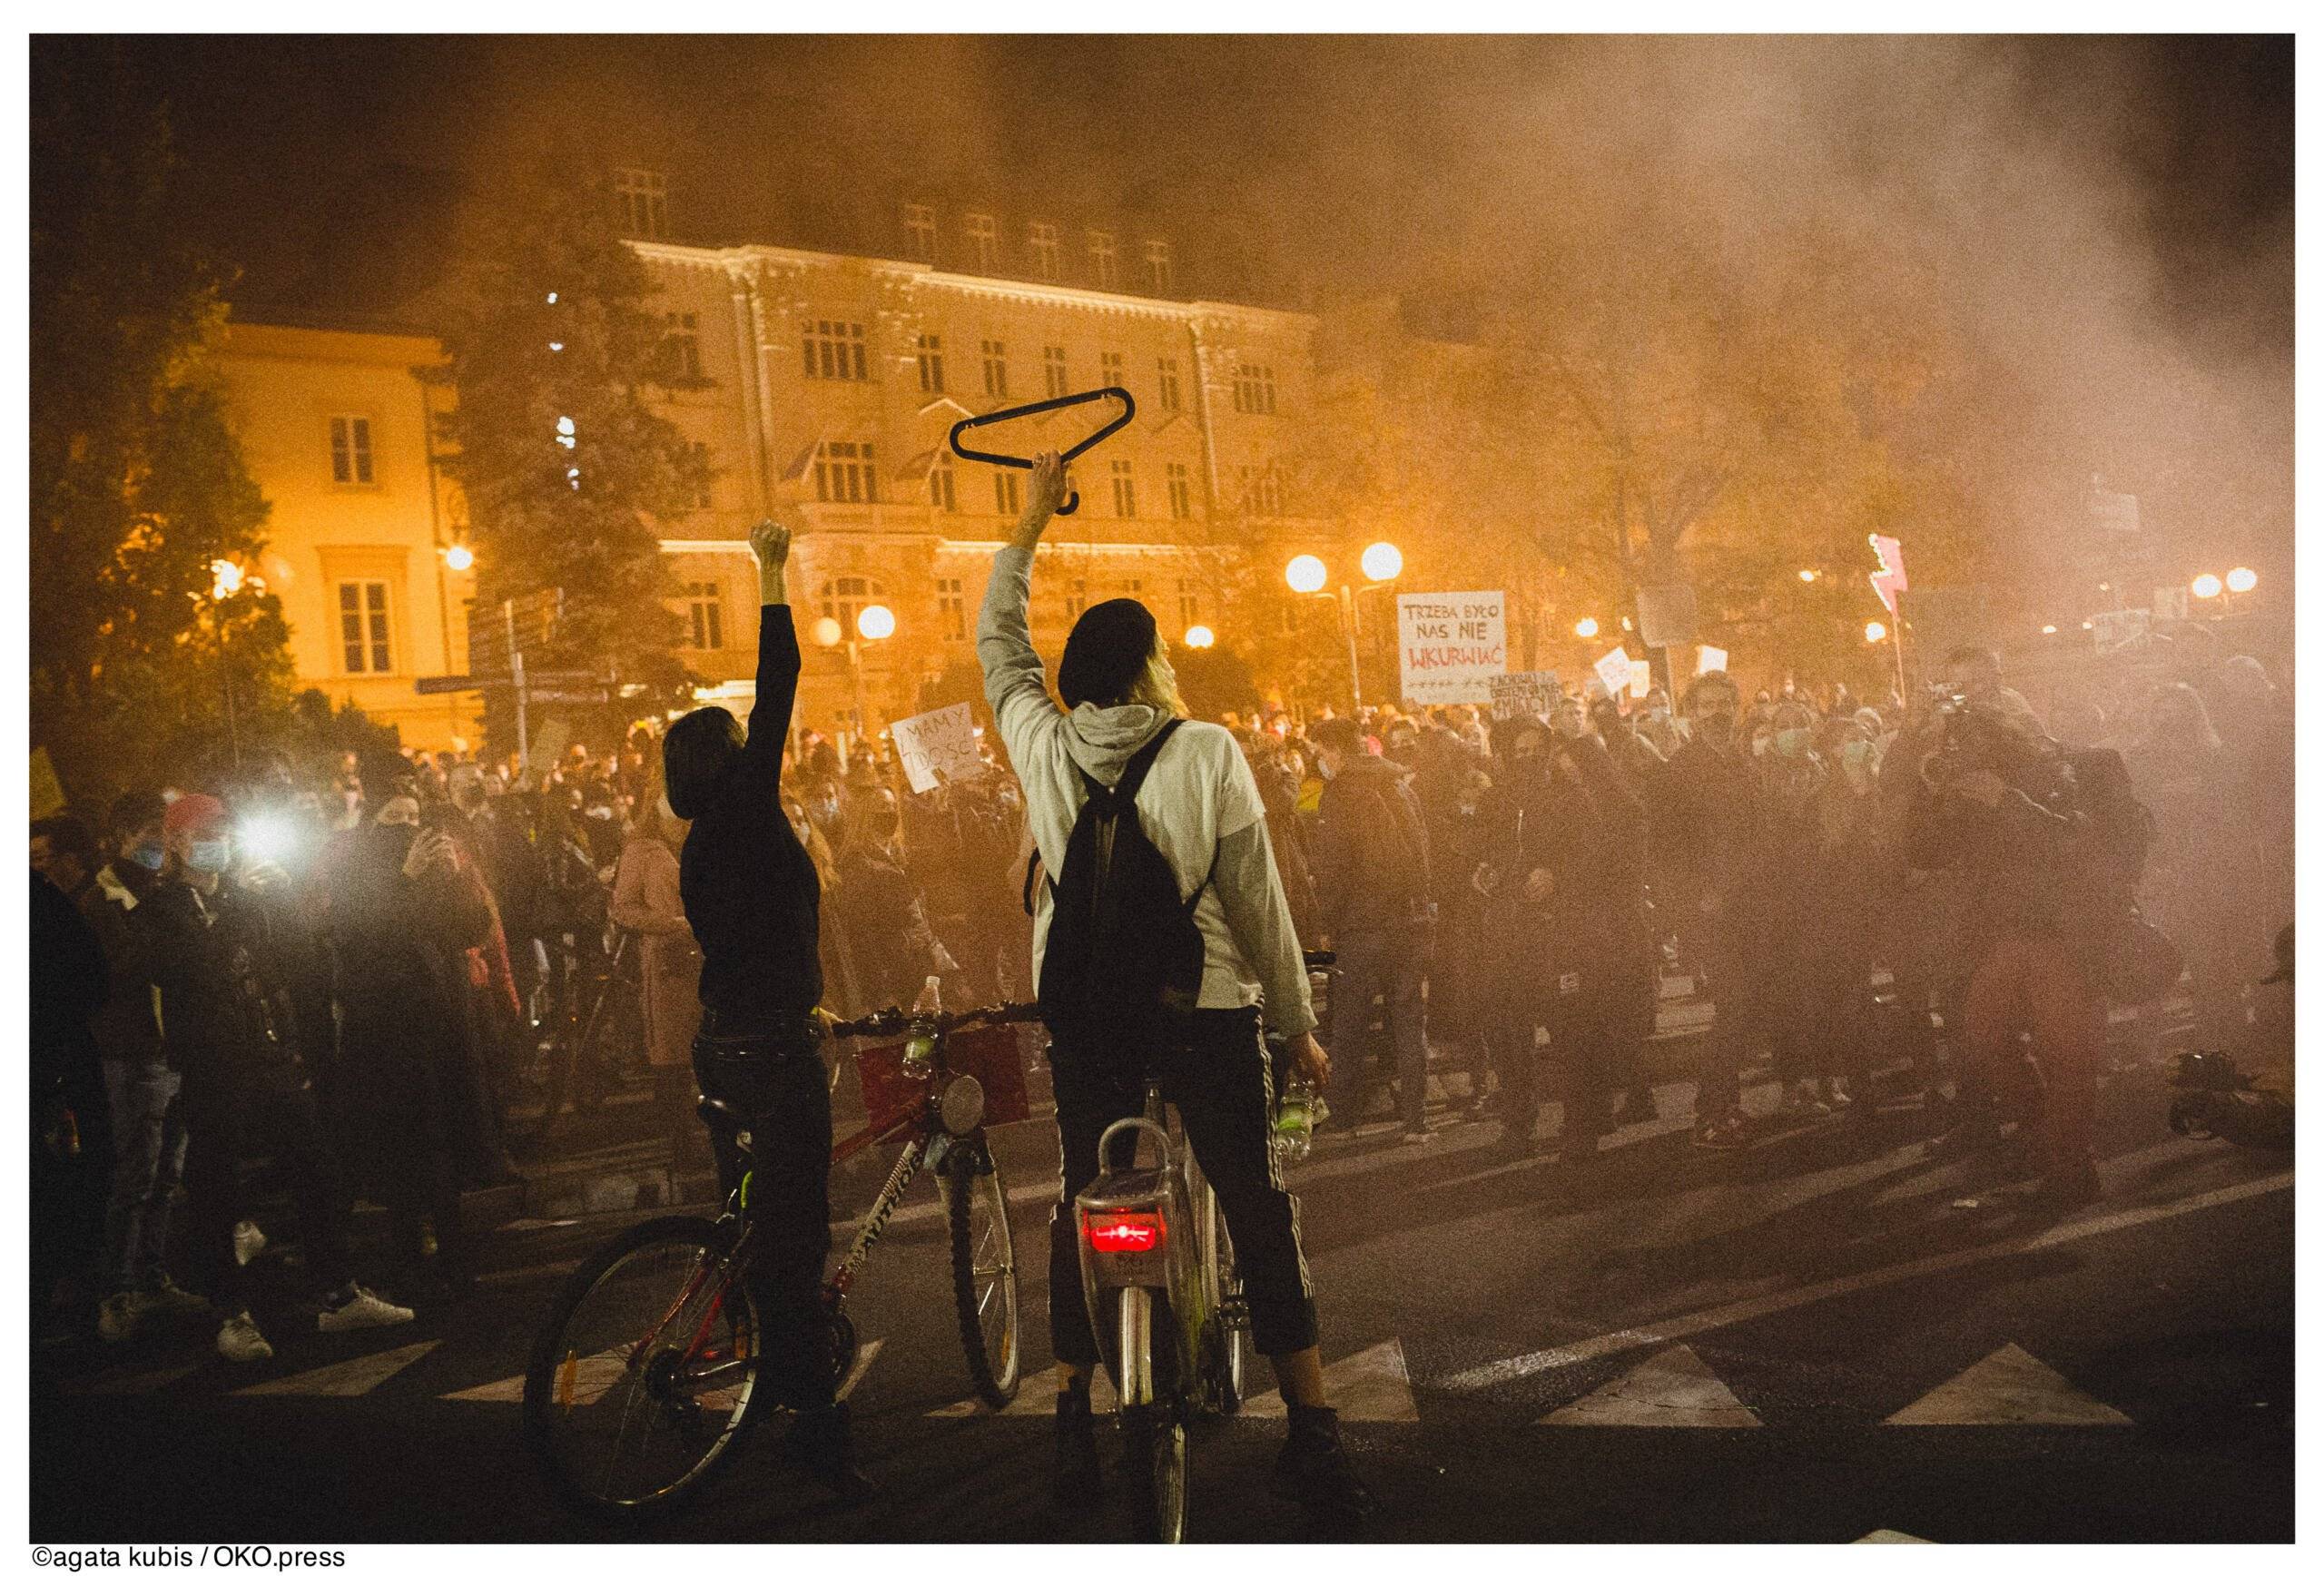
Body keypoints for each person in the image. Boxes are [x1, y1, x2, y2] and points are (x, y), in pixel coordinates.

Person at [979, 451, 1373, 1522]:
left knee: (1078, 1201)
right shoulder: (1208, 751)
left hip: (1090, 1023)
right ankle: (1314, 1430)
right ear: (1151, 667)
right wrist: (1296, 1027)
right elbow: (1258, 905)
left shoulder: (1043, 744)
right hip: (1201, 1017)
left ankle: (1069, 1413)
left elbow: (995, 644)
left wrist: (1026, 520)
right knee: (1253, 1200)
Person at [661, 514, 869, 1499]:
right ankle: (812, 1417)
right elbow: (778, 683)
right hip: (772, 1056)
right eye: (741, 743)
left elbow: (741, 947)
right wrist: (773, 572)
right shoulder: (748, 808)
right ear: (727, 759)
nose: (757, 746)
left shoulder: (699, 840)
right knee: (797, 1235)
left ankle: (747, 1358)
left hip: (726, 1043)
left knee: (749, 1220)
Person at [138, 793, 413, 1362]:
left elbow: (290, 961)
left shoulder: (245, 898)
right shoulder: (157, 911)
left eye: (228, 830)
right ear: (179, 843)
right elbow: (192, 968)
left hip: (269, 1059)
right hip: (214, 1069)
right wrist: (235, 912)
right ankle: (231, 1314)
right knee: (220, 1192)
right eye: (210, 831)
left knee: (318, 1172)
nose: (223, 842)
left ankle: (339, 1294)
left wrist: (281, 899)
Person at [33, 813, 207, 1343]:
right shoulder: (95, 905)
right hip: (126, 1054)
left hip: (161, 1048)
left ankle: (150, 1276)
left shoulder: (140, 897)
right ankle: (118, 1289)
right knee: (133, 1174)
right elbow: (122, 968)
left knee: (164, 1174)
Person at [1308, 716, 1435, 1142]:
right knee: (1407, 1020)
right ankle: (1416, 1119)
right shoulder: (1398, 782)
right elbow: (1422, 847)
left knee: (1350, 1022)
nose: (1317, 759)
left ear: (1337, 750)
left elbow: (1333, 867)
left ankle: (1344, 1114)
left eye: (1321, 750)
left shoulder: (1339, 794)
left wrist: (1327, 921)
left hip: (1362, 924)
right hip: (1408, 921)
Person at [608, 787, 709, 1186]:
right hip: (669, 965)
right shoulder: (643, 852)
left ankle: (712, 1136)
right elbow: (623, 908)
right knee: (673, 1058)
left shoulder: (704, 842)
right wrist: (671, 924)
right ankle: (681, 1147)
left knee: (710, 1050)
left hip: (709, 957)